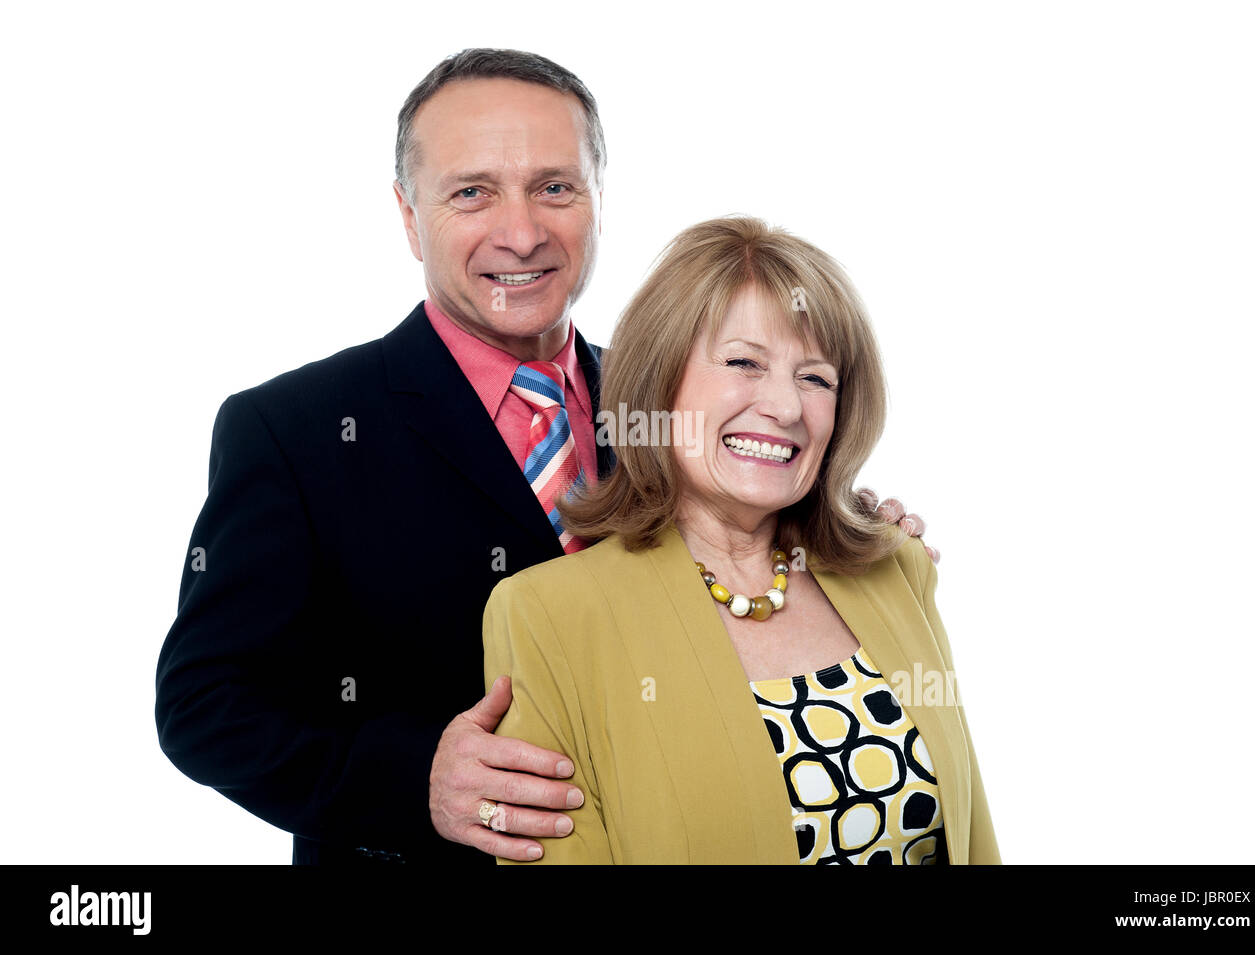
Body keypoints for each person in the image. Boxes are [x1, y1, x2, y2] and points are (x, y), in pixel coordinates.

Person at [154, 49, 934, 865]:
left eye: (554, 188)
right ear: (409, 214)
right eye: (472, 192)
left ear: (599, 201)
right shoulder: (296, 430)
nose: (521, 232)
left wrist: (851, 535)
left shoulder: (674, 404)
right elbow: (204, 705)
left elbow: (753, 554)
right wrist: (416, 776)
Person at [482, 215, 999, 864]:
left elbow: (972, 836)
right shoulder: (547, 614)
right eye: (744, 362)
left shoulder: (897, 568)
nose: (784, 406)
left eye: (816, 377)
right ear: (660, 379)